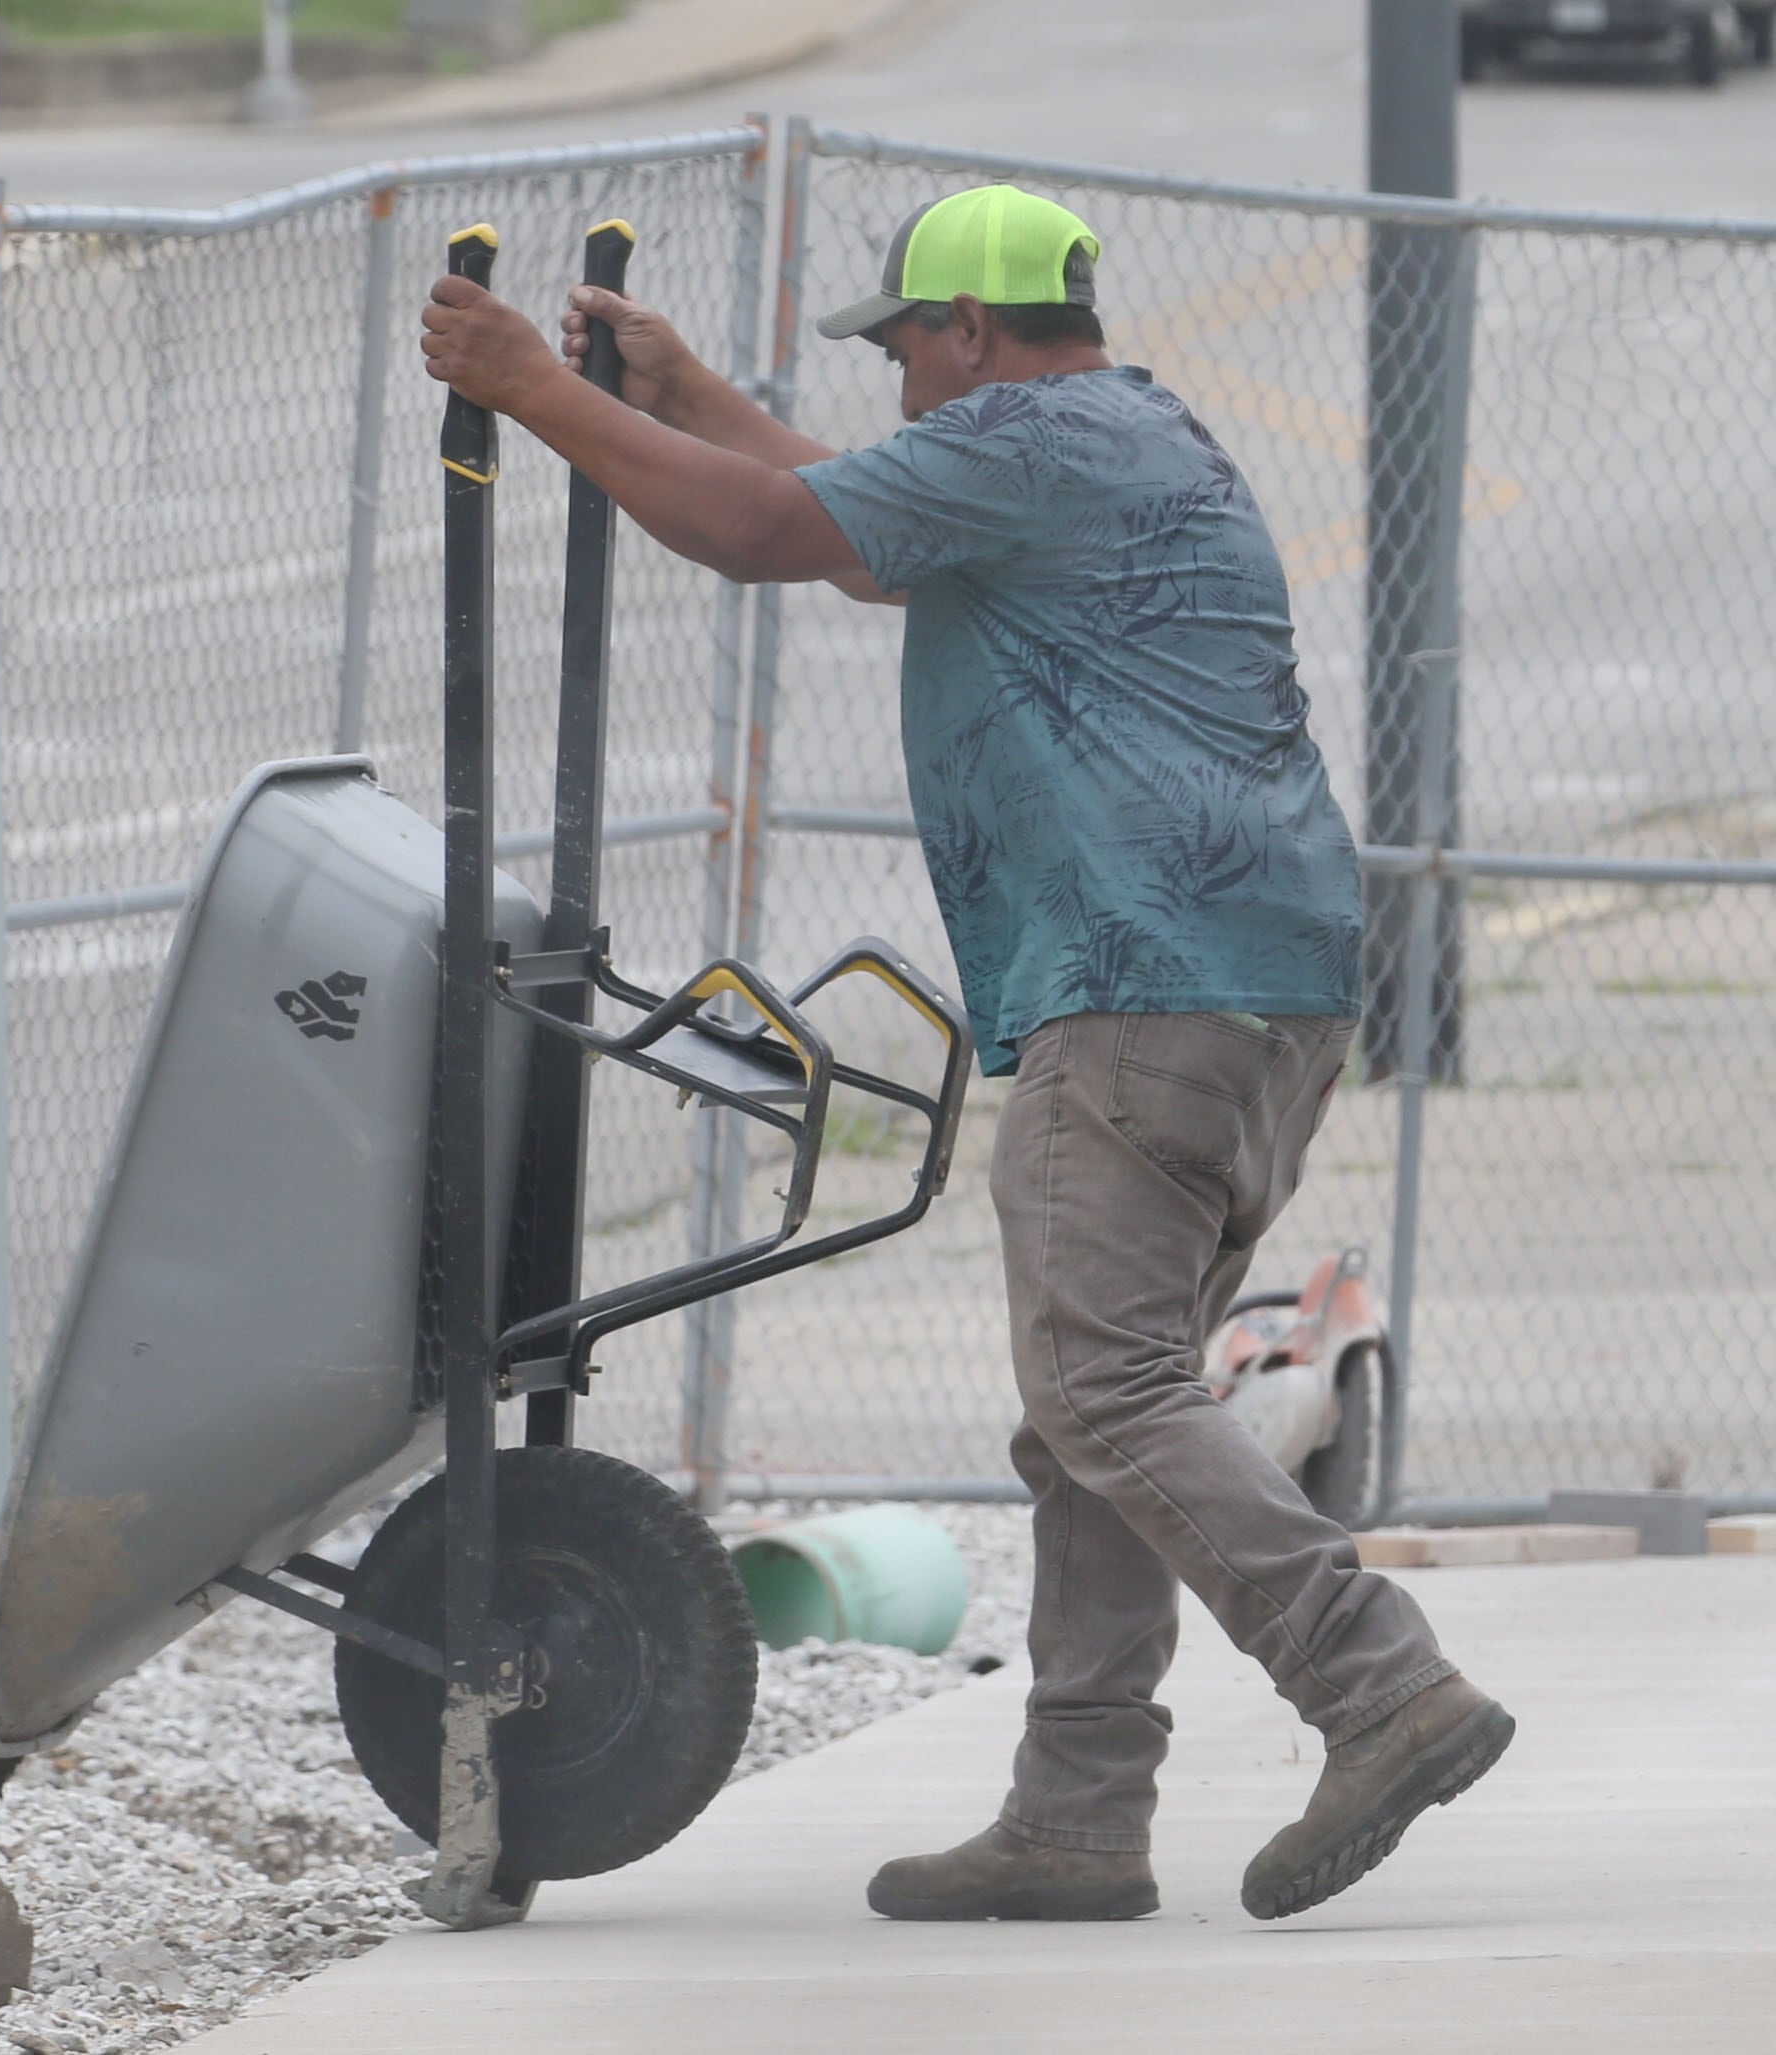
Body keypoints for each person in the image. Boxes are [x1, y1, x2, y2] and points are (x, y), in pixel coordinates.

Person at [419, 182, 1514, 1922]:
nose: (906, 385)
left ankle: (1378, 1683)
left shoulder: (1019, 438)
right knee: (1092, 1408)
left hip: (1142, 978)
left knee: (1103, 1389)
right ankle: (1078, 1814)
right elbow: (851, 528)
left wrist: (533, 394)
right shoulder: (1113, 431)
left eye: (909, 348)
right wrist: (673, 389)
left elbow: (774, 534)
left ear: (972, 333)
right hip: (1252, 984)